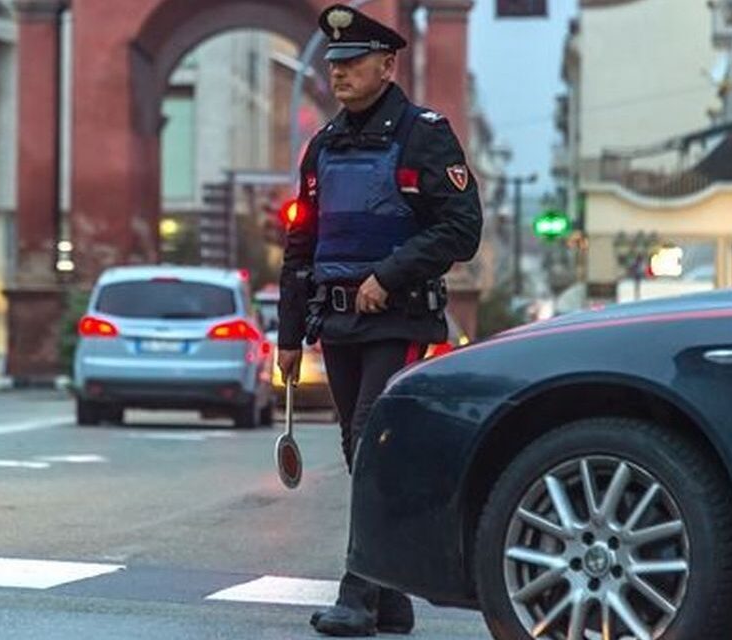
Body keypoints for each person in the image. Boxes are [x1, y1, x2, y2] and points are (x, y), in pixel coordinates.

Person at [276, 4, 483, 636]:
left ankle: (358, 596)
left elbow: (461, 227)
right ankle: (390, 596)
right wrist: (287, 340)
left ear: (387, 65)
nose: (337, 74)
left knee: (370, 442)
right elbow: (300, 247)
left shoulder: (423, 134)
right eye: (333, 63)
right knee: (359, 451)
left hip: (398, 321)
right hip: (337, 327)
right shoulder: (325, 145)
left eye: (352, 62)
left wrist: (387, 274)